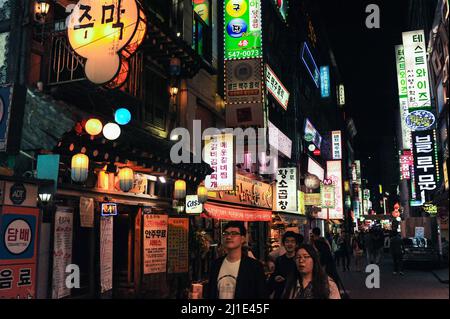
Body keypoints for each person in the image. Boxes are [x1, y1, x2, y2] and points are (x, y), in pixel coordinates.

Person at [207, 221, 268, 299]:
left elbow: (262, 294)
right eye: (226, 234)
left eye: (234, 234)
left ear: (243, 239)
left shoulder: (254, 267)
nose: (229, 237)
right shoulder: (216, 264)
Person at [267, 231, 302, 299]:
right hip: (280, 294)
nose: (289, 244)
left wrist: (285, 279)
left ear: (296, 244)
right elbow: (274, 277)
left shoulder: (299, 260)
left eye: (292, 241)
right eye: (287, 241)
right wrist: (275, 278)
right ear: (284, 244)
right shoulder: (279, 260)